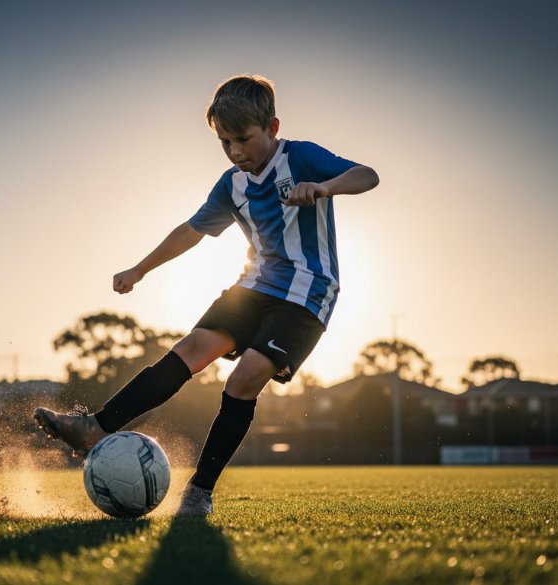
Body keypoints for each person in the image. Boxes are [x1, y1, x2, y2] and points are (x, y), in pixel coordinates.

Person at [35, 74, 379, 515]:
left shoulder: (303, 158)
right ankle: (94, 427)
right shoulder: (231, 184)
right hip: (253, 286)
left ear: (272, 128)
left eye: (243, 139)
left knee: (243, 379)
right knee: (192, 348)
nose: (236, 151)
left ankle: (199, 490)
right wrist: (140, 268)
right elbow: (191, 231)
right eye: (225, 142)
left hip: (307, 294)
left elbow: (367, 175)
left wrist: (325, 187)